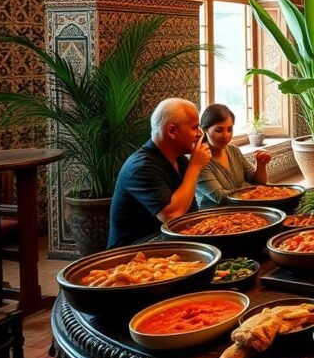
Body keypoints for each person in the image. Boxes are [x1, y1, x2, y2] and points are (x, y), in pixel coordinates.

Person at [108, 98, 212, 248]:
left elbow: (189, 214)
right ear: (171, 131)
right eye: (194, 127)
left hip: (168, 242)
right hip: (133, 253)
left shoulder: (179, 160)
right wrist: (195, 166)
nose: (200, 134)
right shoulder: (141, 167)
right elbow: (172, 216)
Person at [194, 104, 273, 208]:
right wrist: (255, 192)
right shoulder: (199, 160)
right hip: (216, 218)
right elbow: (220, 197)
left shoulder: (233, 150)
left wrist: (261, 164)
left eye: (230, 129)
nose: (226, 135)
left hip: (244, 210)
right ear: (205, 130)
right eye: (219, 130)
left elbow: (257, 182)